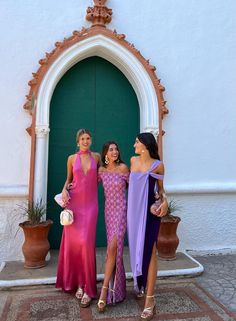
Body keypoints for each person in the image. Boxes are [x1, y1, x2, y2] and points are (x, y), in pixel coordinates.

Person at [56, 129, 100, 308]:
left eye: (88, 138)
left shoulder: (97, 157)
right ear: (77, 141)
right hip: (73, 205)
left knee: (86, 245)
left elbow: (105, 174)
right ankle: (79, 284)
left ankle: (89, 287)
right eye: (82, 138)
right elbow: (69, 179)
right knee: (74, 245)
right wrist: (65, 189)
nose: (85, 141)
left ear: (91, 140)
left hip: (90, 207)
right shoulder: (71, 159)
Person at [127, 132, 168, 321]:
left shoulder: (157, 166)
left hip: (150, 214)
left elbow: (161, 191)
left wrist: (164, 202)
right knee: (137, 249)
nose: (134, 144)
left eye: (136, 142)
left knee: (151, 251)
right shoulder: (133, 161)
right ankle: (141, 284)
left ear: (144, 144)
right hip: (133, 214)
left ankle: (150, 299)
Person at [97, 141, 129, 312]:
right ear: (105, 154)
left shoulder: (123, 168)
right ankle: (118, 289)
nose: (115, 151)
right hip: (109, 213)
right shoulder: (101, 171)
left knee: (111, 248)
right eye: (111, 149)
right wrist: (68, 189)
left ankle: (104, 292)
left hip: (122, 212)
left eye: (116, 149)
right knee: (114, 252)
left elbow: (135, 187)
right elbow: (86, 185)